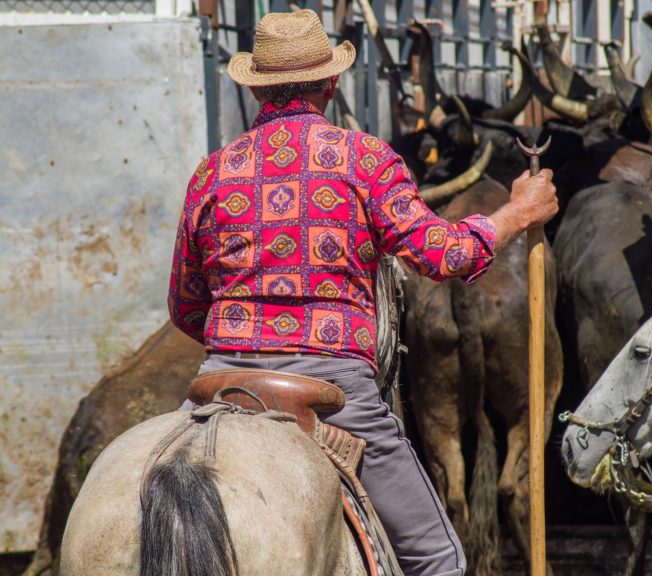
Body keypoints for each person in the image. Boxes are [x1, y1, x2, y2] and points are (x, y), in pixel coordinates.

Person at [168, 9, 558, 576]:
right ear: (332, 83)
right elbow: (444, 255)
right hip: (333, 389)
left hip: (220, 381)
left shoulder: (212, 173)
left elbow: (185, 304)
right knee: (438, 558)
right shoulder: (364, 161)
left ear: (253, 87)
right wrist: (516, 214)